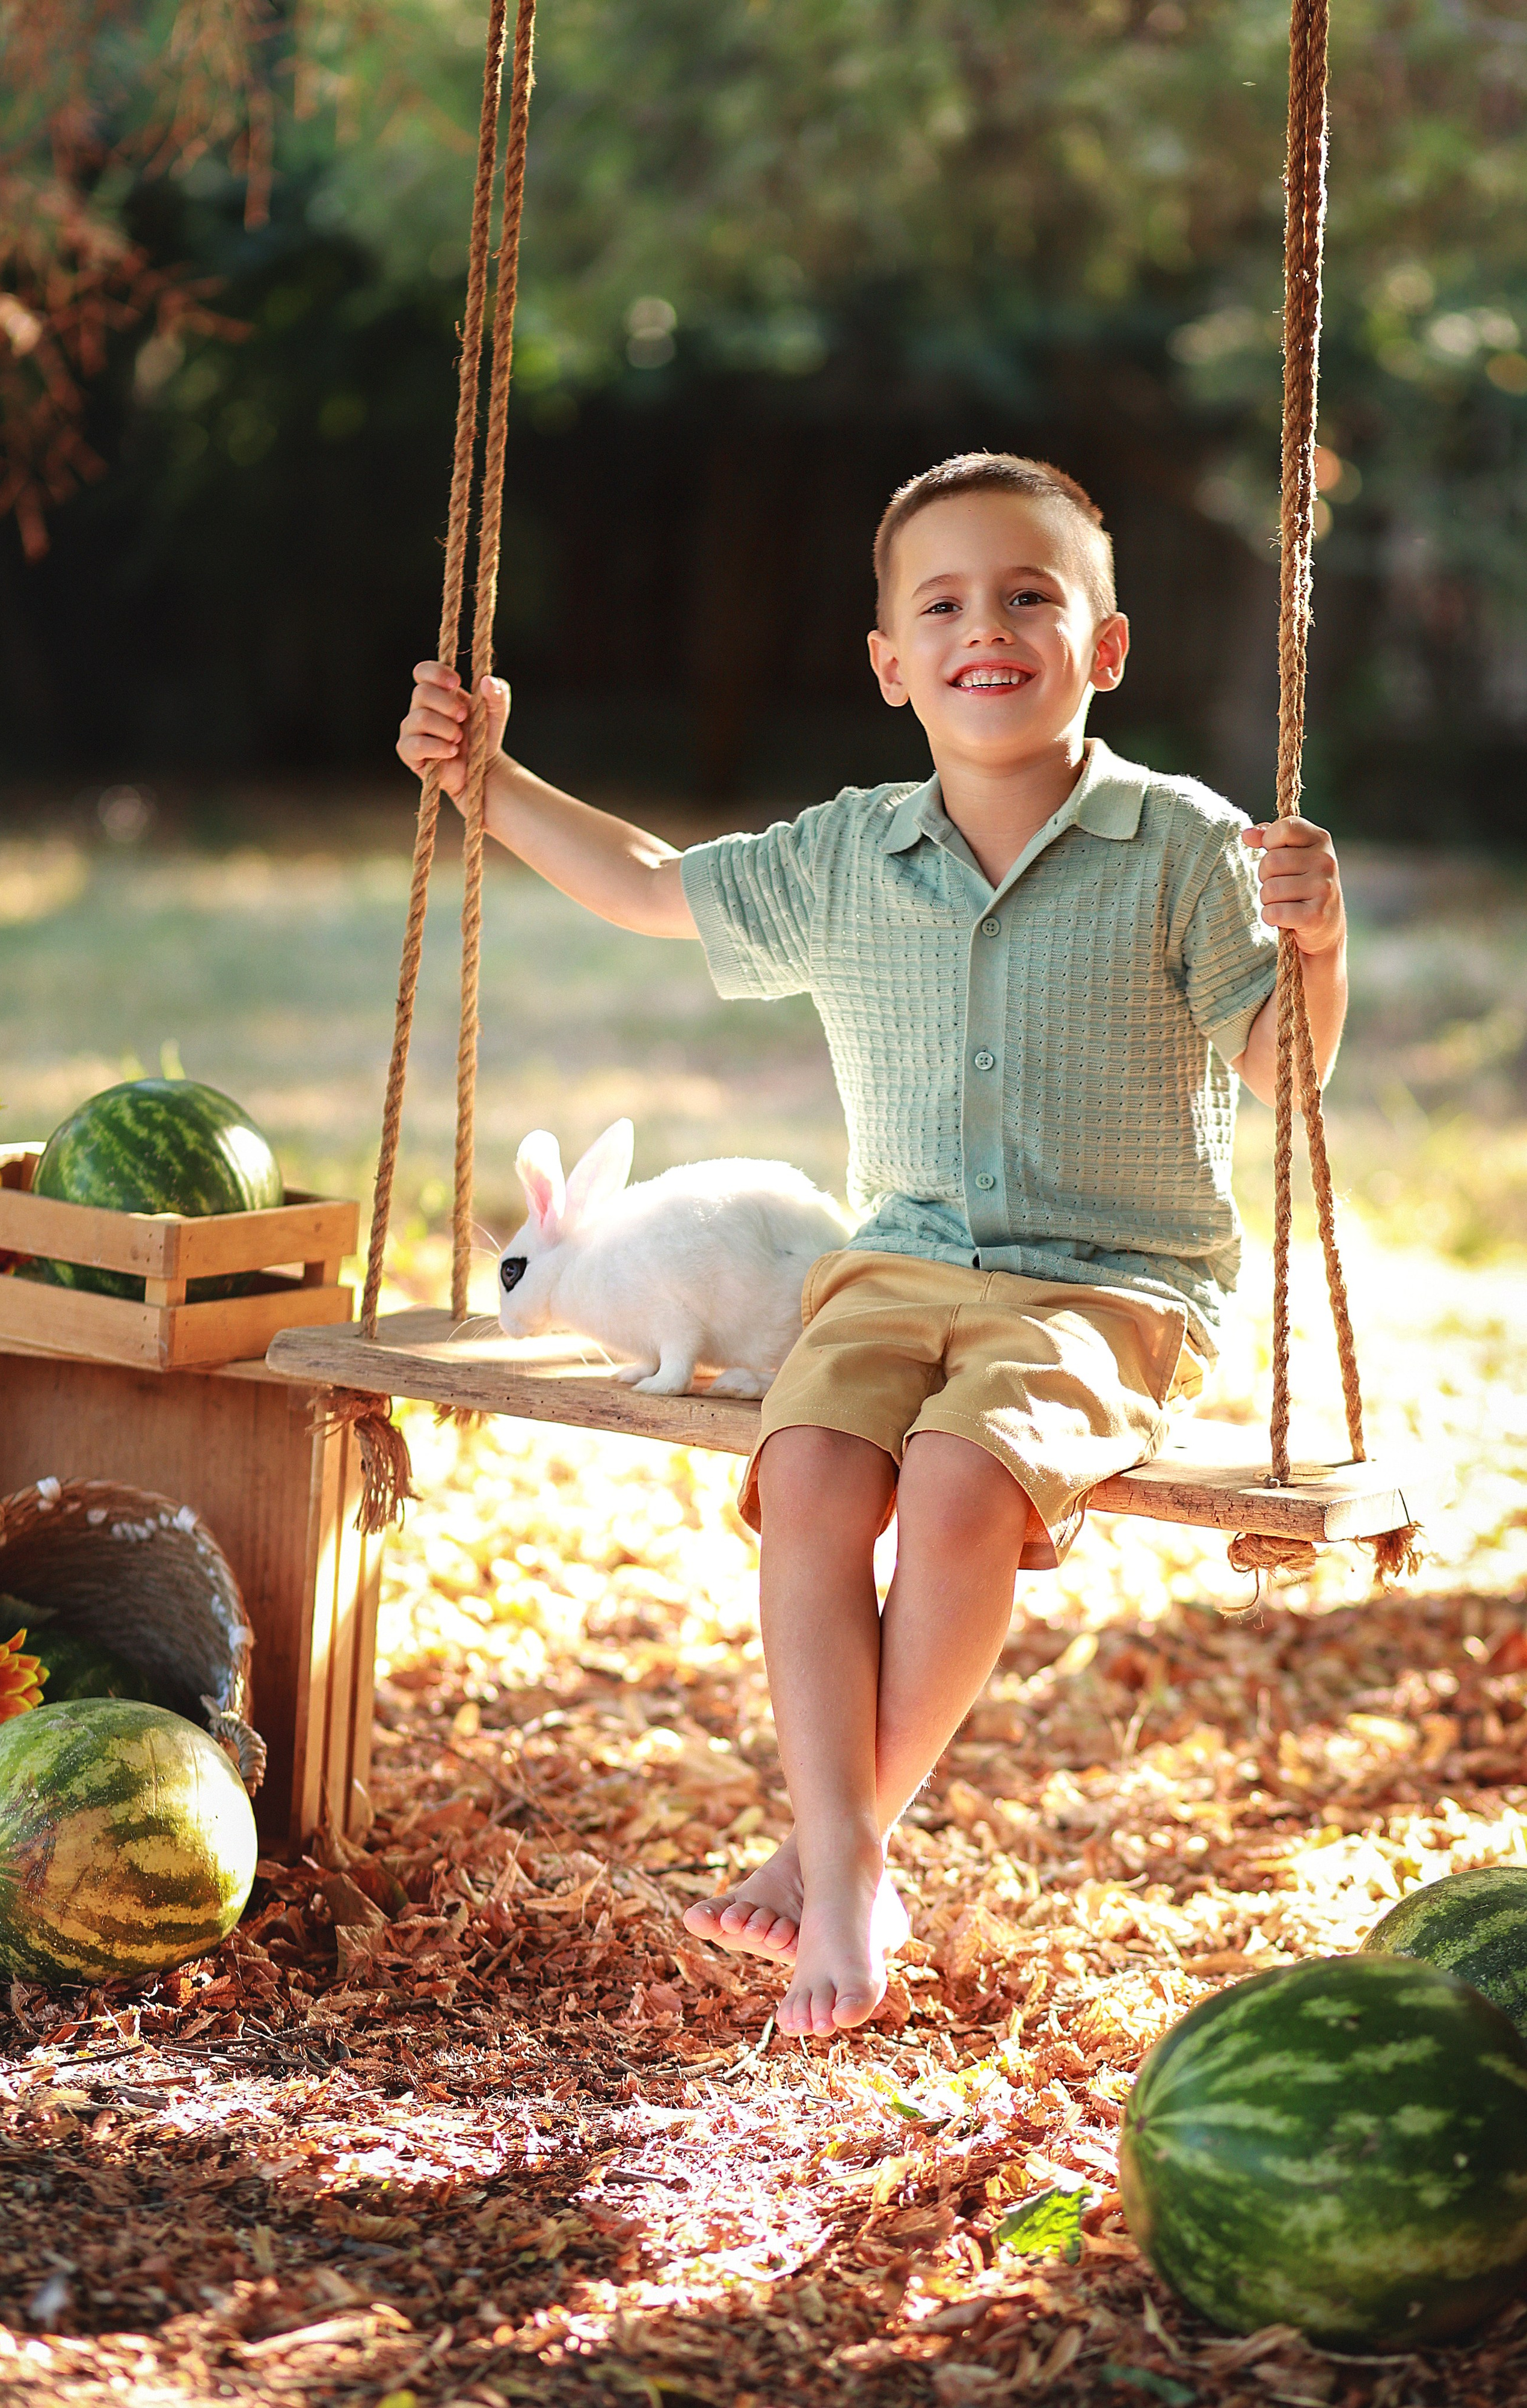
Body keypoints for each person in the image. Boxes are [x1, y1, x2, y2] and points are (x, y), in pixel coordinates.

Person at [397, 450, 1346, 2039]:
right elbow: (644, 886)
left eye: (1032, 595)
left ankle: (838, 1856)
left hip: (1107, 1288)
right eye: (946, 602)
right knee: (820, 1476)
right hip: (888, 1270)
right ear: (891, 663)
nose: (991, 627)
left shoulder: (1181, 846)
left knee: (966, 1483)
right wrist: (489, 781)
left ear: (1105, 647)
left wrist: (1319, 940)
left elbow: (1283, 1069)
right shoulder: (849, 855)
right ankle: (848, 1863)